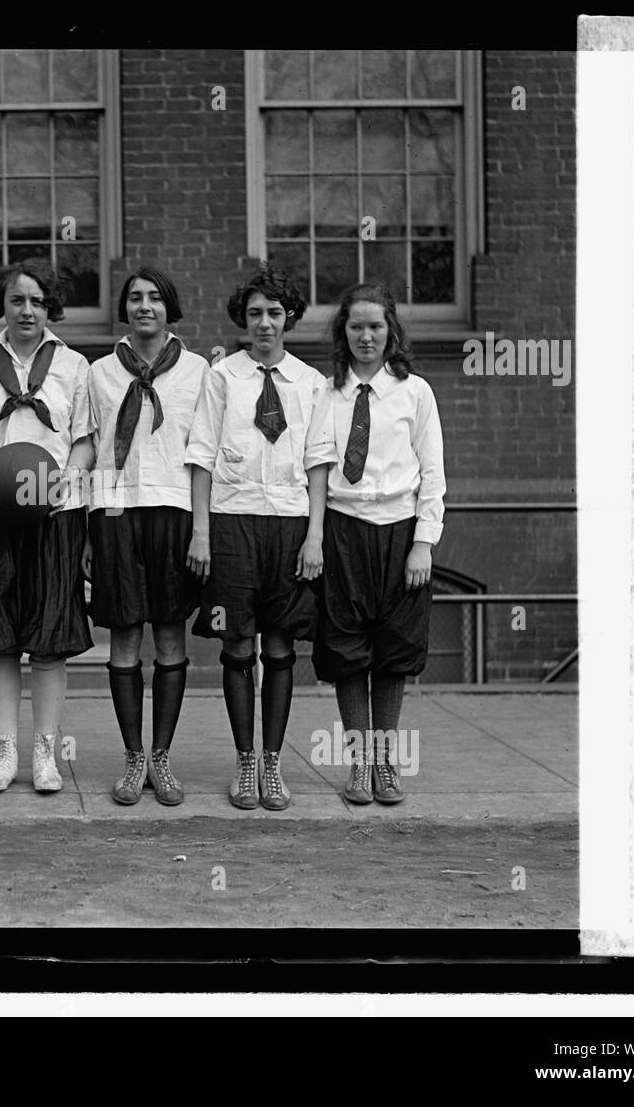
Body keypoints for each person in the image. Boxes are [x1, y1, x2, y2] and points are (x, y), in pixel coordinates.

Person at [0, 260, 94, 793]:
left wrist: (66, 483)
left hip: (55, 515)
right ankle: (6, 751)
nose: (26, 310)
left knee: (49, 640)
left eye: (36, 301)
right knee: (1, 639)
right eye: (16, 301)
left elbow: (84, 439)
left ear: (49, 307)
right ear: (0, 307)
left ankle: (45, 754)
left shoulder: (75, 366)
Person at [186, 265, 328, 810]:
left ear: (288, 317)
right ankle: (245, 761)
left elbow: (319, 464)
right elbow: (199, 454)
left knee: (282, 644)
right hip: (232, 520)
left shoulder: (311, 384)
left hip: (290, 523)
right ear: (242, 322)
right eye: (254, 315)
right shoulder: (223, 378)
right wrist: (201, 533)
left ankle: (274, 762)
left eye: (273, 314)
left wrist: (314, 536)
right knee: (238, 643)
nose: (264, 324)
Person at [305, 281, 445, 805]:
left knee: (392, 653)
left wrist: (423, 543)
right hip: (343, 531)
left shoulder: (415, 393)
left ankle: (387, 762)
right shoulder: (327, 392)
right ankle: (359, 765)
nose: (367, 336)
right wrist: (315, 537)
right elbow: (317, 468)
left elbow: (433, 473)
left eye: (376, 326)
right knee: (347, 651)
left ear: (391, 332)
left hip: (400, 533)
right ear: (344, 332)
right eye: (357, 326)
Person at [83, 267, 208, 806]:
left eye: (155, 297)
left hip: (175, 511)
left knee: (171, 636)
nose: (144, 306)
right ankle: (134, 758)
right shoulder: (100, 372)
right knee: (126, 635)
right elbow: (92, 446)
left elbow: (203, 453)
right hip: (116, 511)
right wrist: (90, 527)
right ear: (124, 308)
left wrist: (202, 530)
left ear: (169, 306)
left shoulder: (201, 371)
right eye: (135, 298)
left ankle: (163, 756)